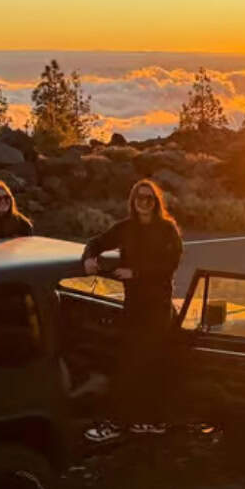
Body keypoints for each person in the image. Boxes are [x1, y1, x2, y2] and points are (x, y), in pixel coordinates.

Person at [80, 179, 184, 440]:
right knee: (127, 362)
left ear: (156, 202)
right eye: (140, 198)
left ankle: (131, 422)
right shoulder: (125, 228)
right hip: (133, 305)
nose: (144, 202)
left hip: (157, 308)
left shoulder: (168, 229)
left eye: (149, 198)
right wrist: (89, 258)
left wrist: (135, 273)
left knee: (142, 365)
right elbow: (96, 241)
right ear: (133, 201)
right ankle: (137, 421)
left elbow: (169, 266)